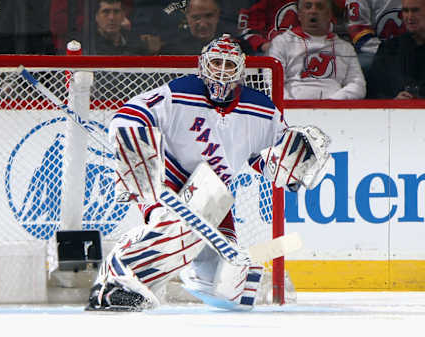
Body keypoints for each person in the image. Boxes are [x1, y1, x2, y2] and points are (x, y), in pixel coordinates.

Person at [86, 34, 328, 311]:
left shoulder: (263, 110)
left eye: (228, 65)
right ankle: (111, 285)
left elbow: (265, 159)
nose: (221, 71)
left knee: (228, 282)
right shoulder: (180, 91)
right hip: (169, 175)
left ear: (240, 69)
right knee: (171, 231)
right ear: (203, 64)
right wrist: (133, 137)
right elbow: (131, 114)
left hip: (216, 192)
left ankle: (188, 269)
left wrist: (289, 167)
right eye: (215, 62)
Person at [267, 0, 366, 99]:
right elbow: (271, 81)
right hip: (291, 109)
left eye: (320, 7)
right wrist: (292, 106)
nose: (313, 11)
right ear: (299, 14)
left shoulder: (345, 48)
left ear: (329, 15)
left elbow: (358, 85)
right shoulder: (281, 43)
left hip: (334, 110)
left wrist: (332, 103)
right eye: (308, 6)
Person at [367, 0, 425, 99]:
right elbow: (373, 93)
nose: (409, 17)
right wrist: (393, 102)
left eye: (415, 10)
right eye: (405, 11)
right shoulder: (389, 49)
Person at [345, 0, 405, 73]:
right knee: (361, 66)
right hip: (375, 51)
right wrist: (383, 51)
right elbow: (358, 31)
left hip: (414, 46)